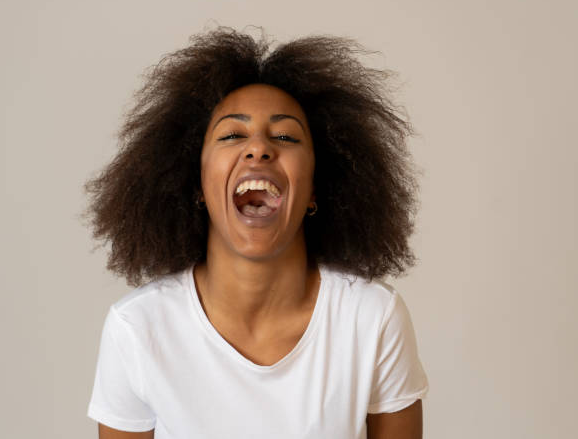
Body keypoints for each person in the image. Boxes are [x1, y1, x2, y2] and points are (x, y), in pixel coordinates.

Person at [84, 26, 428, 439]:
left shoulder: (371, 318)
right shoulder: (138, 328)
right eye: (232, 135)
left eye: (284, 136)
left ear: (316, 186)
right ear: (195, 183)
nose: (259, 148)